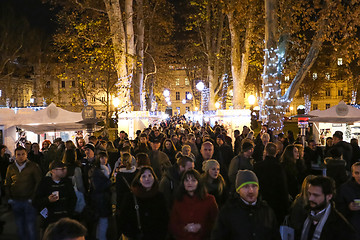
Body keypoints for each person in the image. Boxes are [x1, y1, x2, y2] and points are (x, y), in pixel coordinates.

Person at [211, 170, 280, 240]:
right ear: (238, 190)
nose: (251, 191)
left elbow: (275, 236)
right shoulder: (227, 212)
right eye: (246, 187)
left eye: (254, 186)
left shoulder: (267, 211)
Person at [119, 166, 168, 240]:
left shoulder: (159, 196)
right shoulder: (130, 197)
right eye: (143, 176)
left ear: (154, 178)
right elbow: (123, 219)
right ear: (139, 180)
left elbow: (165, 218)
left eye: (149, 175)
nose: (147, 179)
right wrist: (131, 234)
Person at [299, 176, 355, 240]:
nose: (310, 198)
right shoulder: (305, 215)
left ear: (329, 196)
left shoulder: (340, 225)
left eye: (316, 195)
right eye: (309, 194)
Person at [4, 146, 42, 240]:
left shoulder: (33, 166)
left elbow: (38, 182)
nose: (21, 156)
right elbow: (7, 183)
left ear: (26, 155)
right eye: (18, 154)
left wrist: (33, 197)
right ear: (15, 155)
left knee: (30, 227)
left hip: (29, 200)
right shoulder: (11, 167)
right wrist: (9, 198)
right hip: (16, 200)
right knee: (20, 226)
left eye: (23, 154)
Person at [169, 169, 218, 240]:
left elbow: (216, 222)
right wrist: (185, 228)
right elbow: (173, 224)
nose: (189, 183)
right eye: (186, 180)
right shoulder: (178, 200)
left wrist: (201, 227)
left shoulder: (209, 200)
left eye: (193, 180)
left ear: (199, 182)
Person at [34, 160, 77, 230]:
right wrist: (48, 200)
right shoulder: (45, 183)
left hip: (65, 218)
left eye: (65, 169)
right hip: (51, 219)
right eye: (62, 169)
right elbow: (36, 201)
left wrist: (69, 212)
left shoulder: (67, 182)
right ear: (53, 171)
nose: (64, 171)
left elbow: (73, 198)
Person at [254, 142, 289, 224]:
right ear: (276, 153)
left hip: (261, 200)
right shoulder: (279, 168)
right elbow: (283, 188)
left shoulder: (257, 166)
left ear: (265, 152)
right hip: (276, 203)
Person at [89, 151, 112, 240]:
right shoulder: (97, 171)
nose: (104, 159)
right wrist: (109, 182)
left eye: (105, 157)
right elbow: (98, 186)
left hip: (102, 199)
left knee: (102, 222)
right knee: (103, 222)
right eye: (102, 158)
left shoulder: (106, 168)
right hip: (100, 200)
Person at [336, 162, 360, 239]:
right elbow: (337, 209)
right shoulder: (344, 189)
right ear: (352, 174)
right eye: (357, 173)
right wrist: (348, 208)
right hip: (352, 229)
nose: (359, 176)